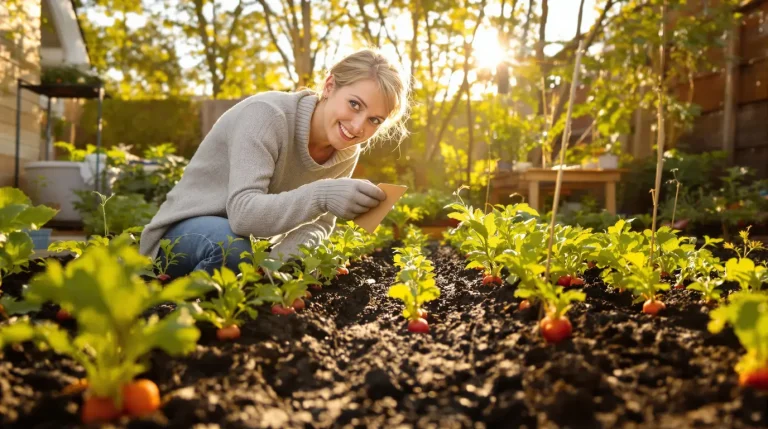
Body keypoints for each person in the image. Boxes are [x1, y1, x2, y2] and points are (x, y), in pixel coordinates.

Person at [139, 49, 411, 277]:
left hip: (247, 242)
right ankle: (180, 311)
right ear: (329, 86)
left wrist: (279, 266)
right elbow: (243, 214)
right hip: (183, 234)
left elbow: (318, 224)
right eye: (354, 104)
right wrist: (322, 195)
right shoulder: (267, 116)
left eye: (375, 120)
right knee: (232, 250)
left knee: (254, 256)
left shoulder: (346, 149)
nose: (357, 126)